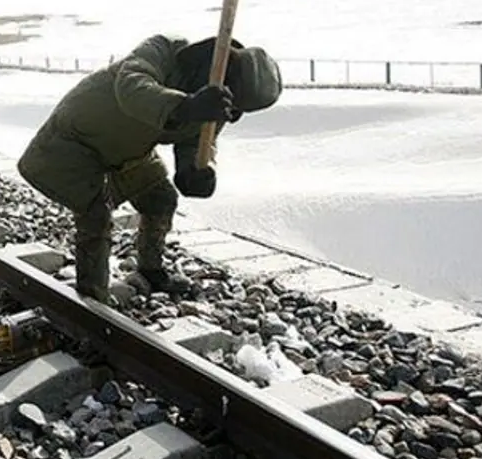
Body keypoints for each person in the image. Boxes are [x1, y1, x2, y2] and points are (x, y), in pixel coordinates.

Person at [16, 33, 282, 303]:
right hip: (72, 145)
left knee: (161, 199)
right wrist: (186, 106)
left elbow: (197, 140)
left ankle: (151, 270)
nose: (231, 111)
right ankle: (92, 299)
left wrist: (195, 171)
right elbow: (131, 88)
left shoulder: (216, 102)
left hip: (128, 152)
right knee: (95, 215)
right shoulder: (164, 50)